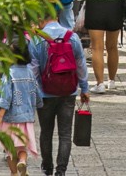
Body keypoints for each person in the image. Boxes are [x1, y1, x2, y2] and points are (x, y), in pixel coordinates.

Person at [30, 16, 92, 176]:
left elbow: (34, 70)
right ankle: (61, 170)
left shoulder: (37, 39)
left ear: (40, 19)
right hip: (68, 92)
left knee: (46, 132)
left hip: (45, 93)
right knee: (65, 133)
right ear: (56, 17)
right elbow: (80, 64)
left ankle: (47, 167)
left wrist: (35, 92)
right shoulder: (72, 37)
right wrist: (84, 88)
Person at [0, 39, 43, 176]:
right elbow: (36, 93)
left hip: (10, 118)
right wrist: (39, 105)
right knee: (22, 147)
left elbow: (6, 97)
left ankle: (14, 173)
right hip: (26, 118)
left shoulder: (9, 74)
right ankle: (22, 161)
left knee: (10, 149)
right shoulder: (30, 73)